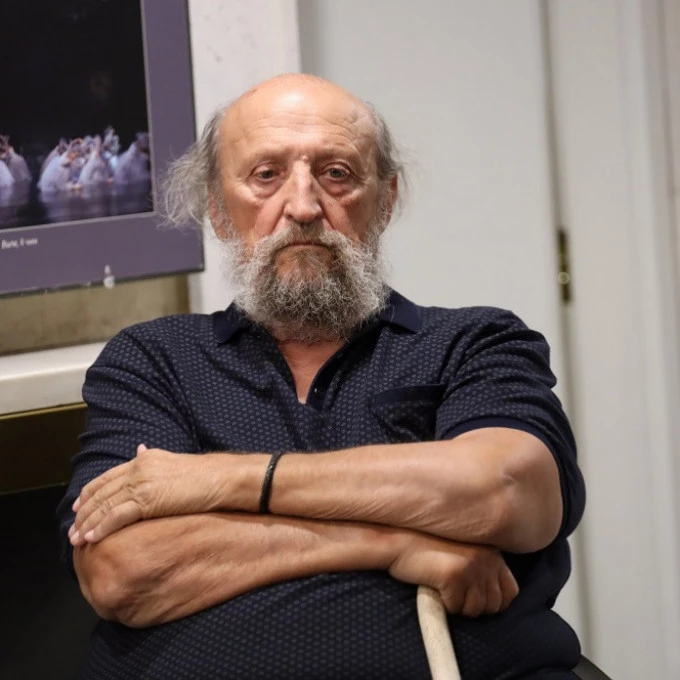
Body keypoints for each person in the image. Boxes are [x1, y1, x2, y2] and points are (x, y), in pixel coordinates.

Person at [57, 73, 585, 679]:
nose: (304, 207)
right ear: (218, 210)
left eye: (337, 174)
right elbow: (122, 571)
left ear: (384, 200)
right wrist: (392, 542)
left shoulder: (472, 341)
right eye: (266, 176)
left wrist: (214, 481)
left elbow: (508, 493)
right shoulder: (154, 360)